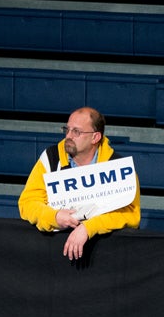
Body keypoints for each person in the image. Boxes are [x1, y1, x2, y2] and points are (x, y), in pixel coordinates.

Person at [18, 107, 140, 261]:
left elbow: (131, 215)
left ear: (95, 137)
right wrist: (54, 216)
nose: (68, 136)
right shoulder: (51, 157)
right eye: (67, 129)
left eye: (76, 132)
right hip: (56, 252)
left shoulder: (118, 167)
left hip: (106, 255)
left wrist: (89, 227)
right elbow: (27, 203)